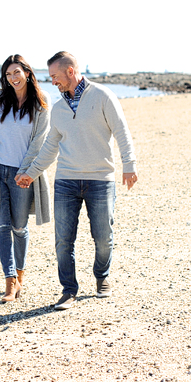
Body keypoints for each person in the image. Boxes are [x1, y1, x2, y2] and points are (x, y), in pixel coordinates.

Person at [16, 51, 137, 311]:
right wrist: (32, 172)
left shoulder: (103, 96)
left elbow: (122, 132)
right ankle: (68, 290)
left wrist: (129, 165)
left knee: (103, 236)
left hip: (100, 180)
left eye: (55, 76)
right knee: (63, 240)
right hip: (67, 180)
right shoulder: (58, 109)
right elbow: (50, 147)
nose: (53, 82)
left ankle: (101, 277)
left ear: (70, 71)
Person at [0, 54, 51, 302]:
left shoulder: (41, 101)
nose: (13, 78)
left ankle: (20, 275)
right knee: (0, 226)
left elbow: (39, 142)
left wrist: (25, 172)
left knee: (19, 227)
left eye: (17, 72)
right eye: (8, 74)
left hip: (23, 175)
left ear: (27, 72)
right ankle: (9, 281)